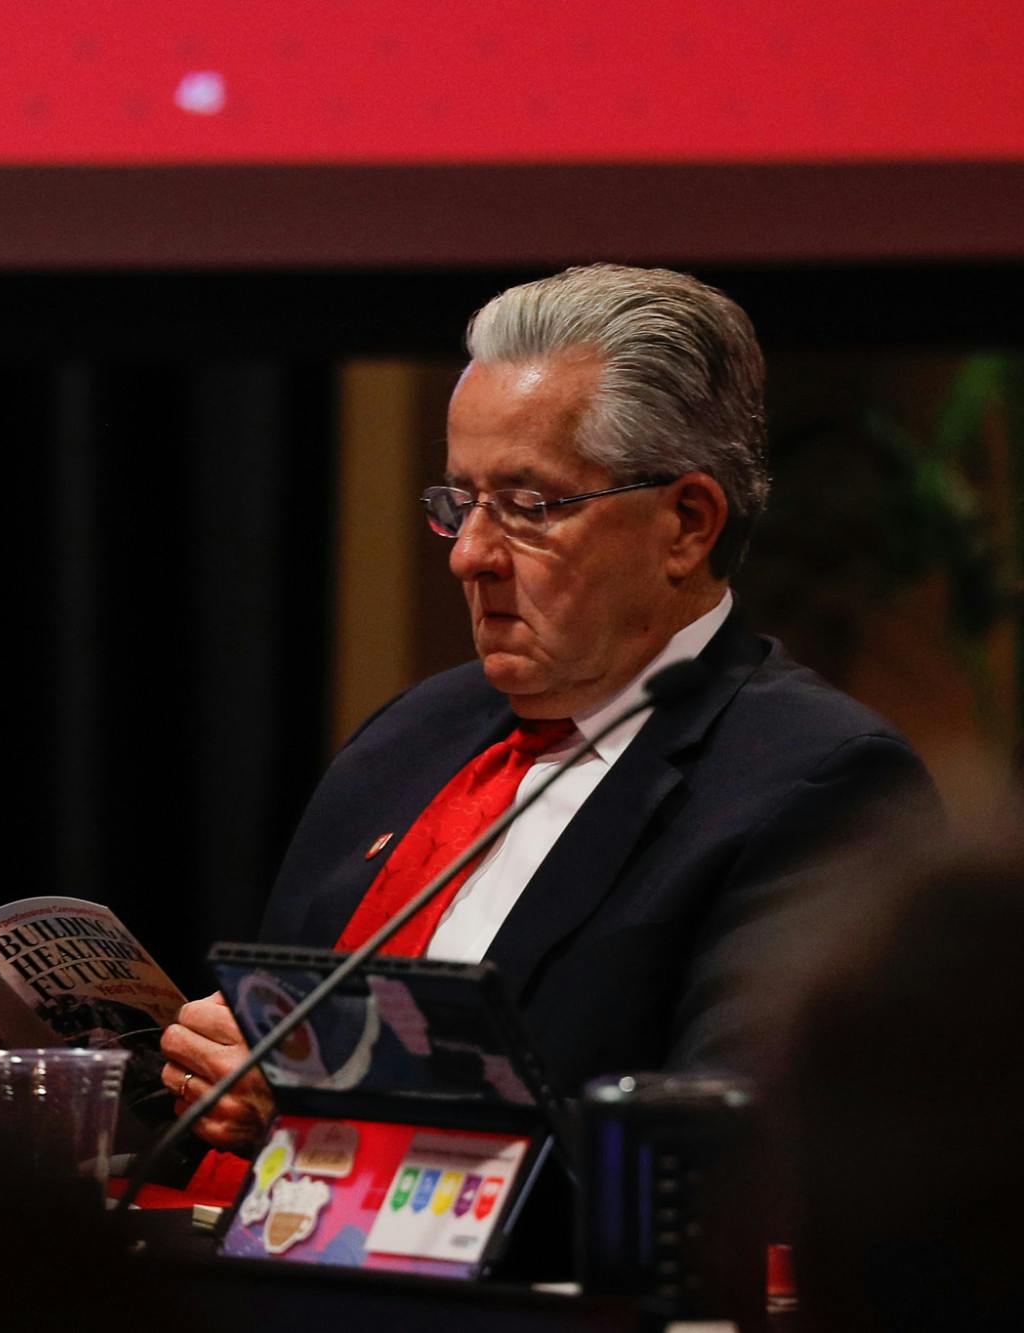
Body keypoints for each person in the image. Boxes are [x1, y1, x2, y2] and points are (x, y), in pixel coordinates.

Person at [160, 264, 938, 1155]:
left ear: (685, 523)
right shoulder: (411, 736)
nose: (471, 556)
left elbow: (725, 1163)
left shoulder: (818, 781)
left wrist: (324, 1108)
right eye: (461, 502)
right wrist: (226, 1073)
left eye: (529, 505)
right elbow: (268, 1054)